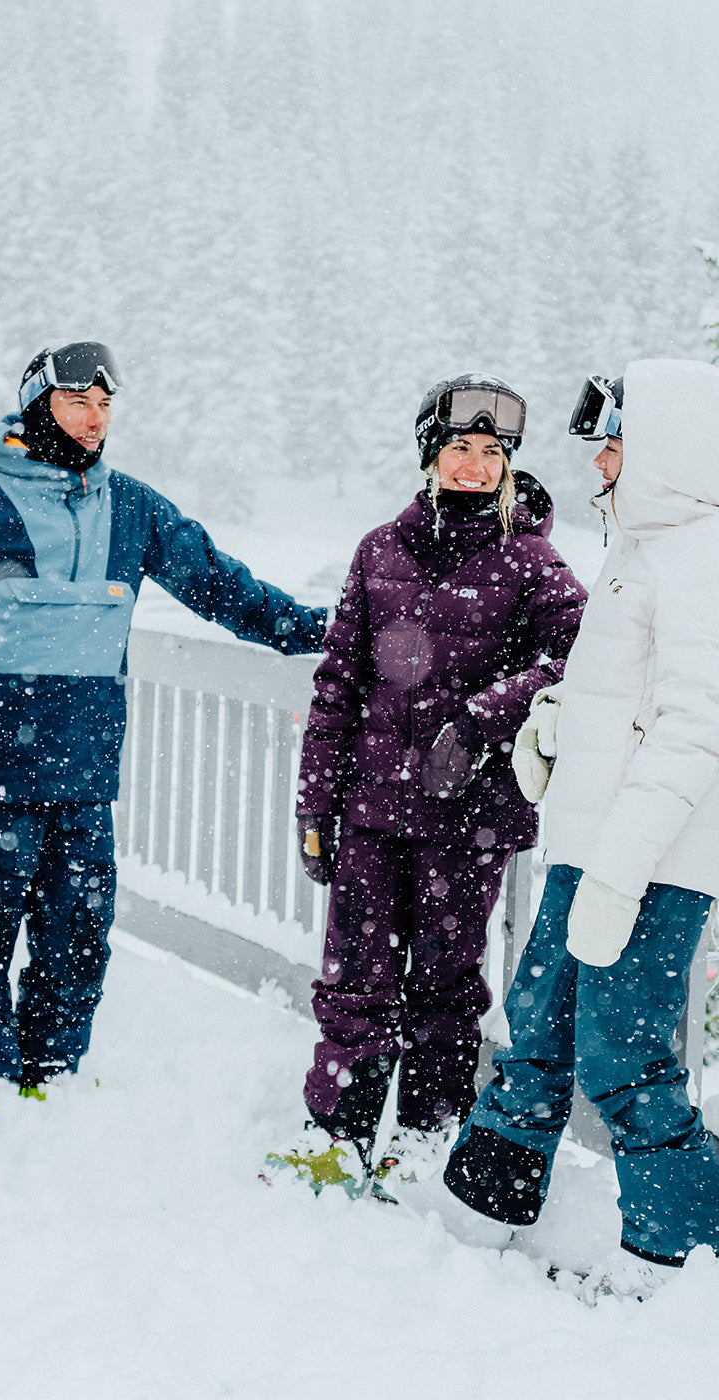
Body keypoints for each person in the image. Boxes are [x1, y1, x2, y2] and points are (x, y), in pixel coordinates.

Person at [0, 341, 327, 1093]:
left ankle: (53, 1085)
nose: (96, 420)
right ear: (39, 405)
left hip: (83, 782)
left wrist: (321, 630)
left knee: (77, 948)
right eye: (78, 402)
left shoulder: (130, 507)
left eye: (105, 404)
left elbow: (219, 585)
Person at [264, 374, 587, 1197]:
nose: (476, 467)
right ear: (429, 456)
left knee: (446, 984)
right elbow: (337, 683)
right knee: (353, 980)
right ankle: (338, 1135)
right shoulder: (379, 551)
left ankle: (422, 1136)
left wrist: (486, 716)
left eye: (491, 453)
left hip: (469, 815)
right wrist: (315, 803)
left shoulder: (533, 560)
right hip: (372, 809)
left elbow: (580, 661)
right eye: (460, 449)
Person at [443, 361, 719, 1297]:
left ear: (665, 449)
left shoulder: (702, 559)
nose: (598, 461)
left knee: (625, 1053)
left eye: (615, 443)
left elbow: (692, 731)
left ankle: (673, 1257)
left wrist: (619, 876)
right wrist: (558, 722)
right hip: (586, 846)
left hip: (649, 864)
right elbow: (630, 694)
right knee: (540, 1028)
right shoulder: (642, 549)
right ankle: (485, 1210)